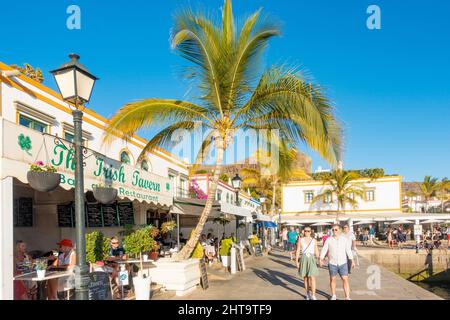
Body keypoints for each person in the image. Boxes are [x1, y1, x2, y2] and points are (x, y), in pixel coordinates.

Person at [320, 225, 355, 300]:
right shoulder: (329, 239)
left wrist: (352, 260)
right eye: (333, 230)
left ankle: (347, 297)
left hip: (343, 263)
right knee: (333, 279)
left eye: (336, 230)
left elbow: (348, 250)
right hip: (332, 263)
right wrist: (321, 259)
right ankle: (334, 295)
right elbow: (324, 249)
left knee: (345, 279)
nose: (334, 231)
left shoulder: (344, 239)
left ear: (339, 230)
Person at [295, 227, 319, 300]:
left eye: (308, 231)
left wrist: (319, 258)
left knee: (312, 277)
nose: (307, 232)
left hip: (311, 258)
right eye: (305, 231)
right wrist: (296, 261)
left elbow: (316, 250)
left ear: (310, 232)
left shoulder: (314, 240)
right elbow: (298, 250)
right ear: (303, 232)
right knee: (305, 278)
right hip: (304, 258)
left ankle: (313, 295)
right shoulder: (301, 240)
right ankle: (307, 293)